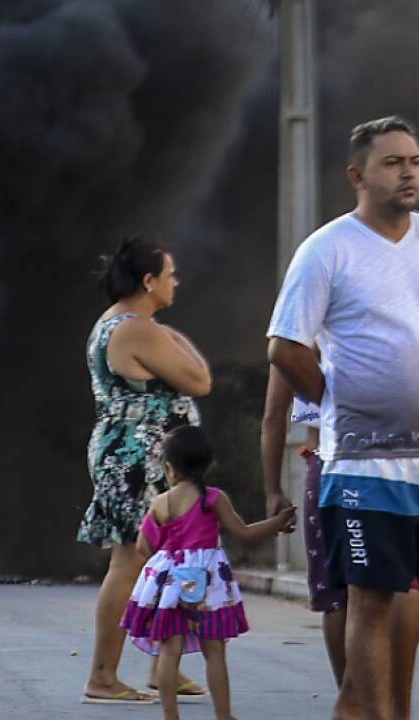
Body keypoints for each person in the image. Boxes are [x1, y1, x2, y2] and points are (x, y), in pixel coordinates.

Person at [268, 115, 419, 720]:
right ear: (357, 175)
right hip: (362, 458)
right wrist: (340, 398)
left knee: (408, 593)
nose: (409, 171)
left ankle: (385, 712)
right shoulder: (327, 249)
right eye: (393, 162)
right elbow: (284, 346)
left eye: (414, 161)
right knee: (370, 597)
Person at [77, 237, 212, 704]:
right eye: (169, 274)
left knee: (165, 555)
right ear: (148, 281)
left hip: (137, 451)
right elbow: (199, 379)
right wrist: (174, 337)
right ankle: (102, 675)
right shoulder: (137, 327)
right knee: (131, 560)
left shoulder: (118, 322)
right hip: (137, 458)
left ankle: (163, 666)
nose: (176, 282)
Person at [122, 426, 296, 720]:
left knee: (169, 651)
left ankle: (170, 715)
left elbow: (143, 546)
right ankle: (224, 716)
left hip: (170, 585)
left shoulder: (160, 503)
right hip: (208, 584)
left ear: (170, 468)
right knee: (215, 652)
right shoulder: (213, 498)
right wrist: (277, 523)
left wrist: (170, 560)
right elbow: (245, 533)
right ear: (207, 465)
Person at [262, 367, 349, 684]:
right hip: (392, 461)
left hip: (325, 460)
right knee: (393, 586)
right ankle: (390, 702)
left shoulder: (299, 333)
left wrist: (273, 490)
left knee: (335, 593)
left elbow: (274, 415)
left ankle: (351, 700)